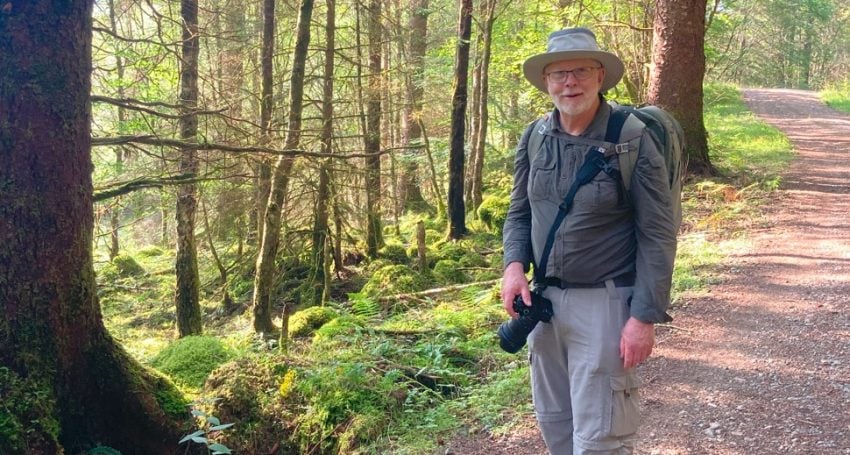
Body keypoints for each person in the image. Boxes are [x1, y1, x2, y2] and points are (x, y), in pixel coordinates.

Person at [501, 27, 677, 454]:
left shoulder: (631, 138)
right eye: (559, 73)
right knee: (556, 427)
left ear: (600, 76)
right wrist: (513, 266)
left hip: (605, 305)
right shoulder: (535, 136)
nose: (570, 82)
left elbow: (658, 233)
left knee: (602, 439)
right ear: (546, 82)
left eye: (580, 70)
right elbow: (519, 211)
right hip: (543, 307)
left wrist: (644, 317)